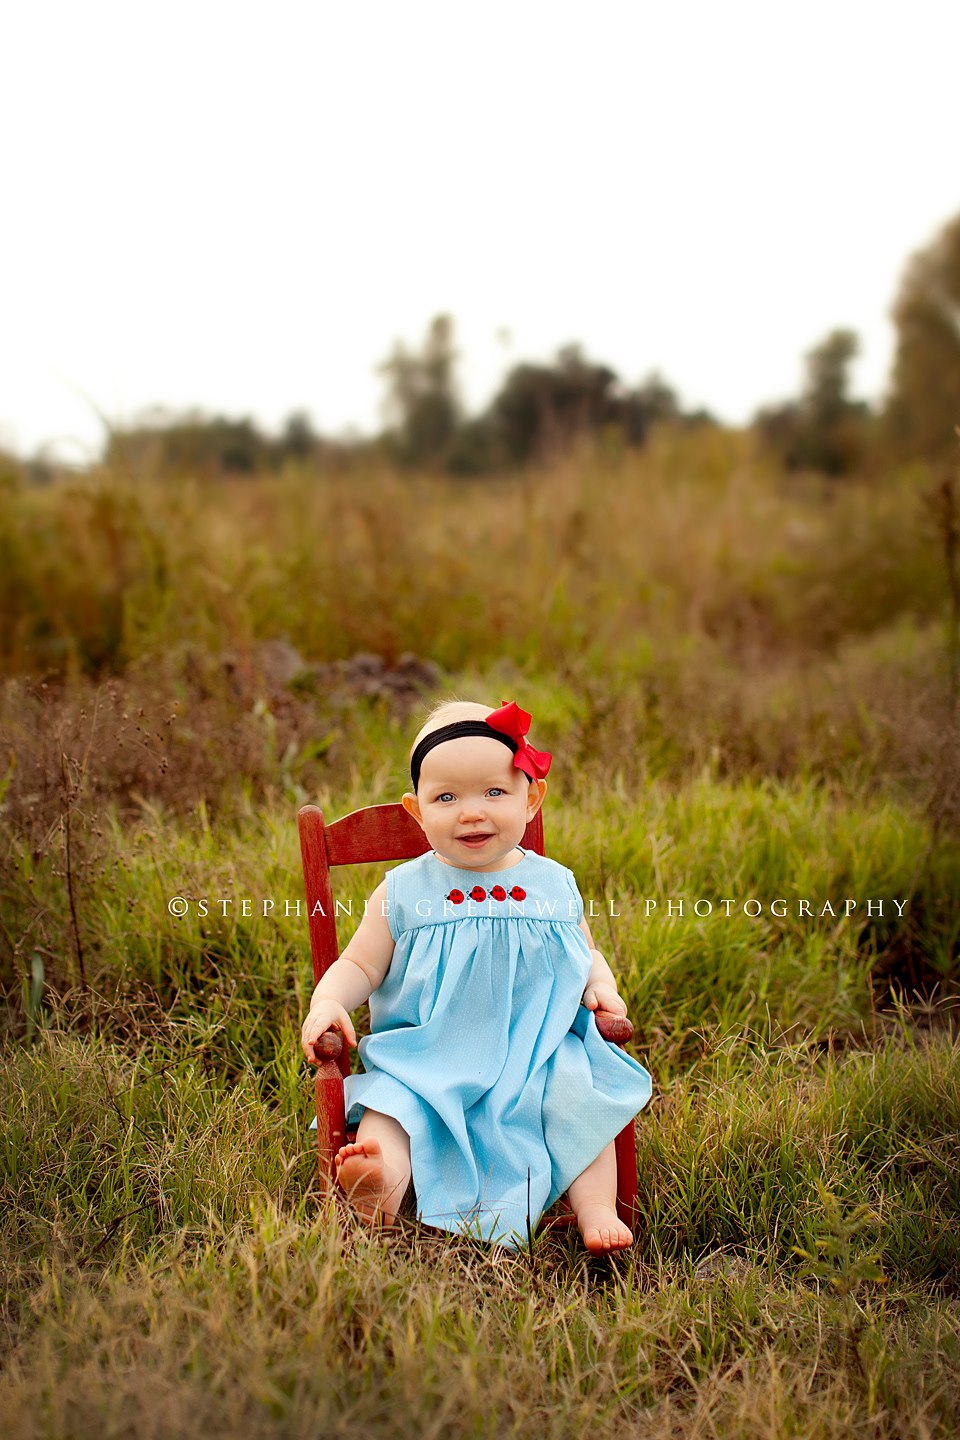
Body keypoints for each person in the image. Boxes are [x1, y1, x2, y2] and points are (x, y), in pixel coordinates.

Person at [300, 698, 652, 1252]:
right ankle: (379, 1180)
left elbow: (585, 952)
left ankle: (596, 1207)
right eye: (446, 797)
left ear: (529, 798)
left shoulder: (553, 885)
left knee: (580, 1097)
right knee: (394, 1108)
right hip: (428, 1056)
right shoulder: (403, 892)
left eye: (494, 792)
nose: (472, 812)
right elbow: (358, 964)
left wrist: (600, 987)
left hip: (536, 1051)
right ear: (416, 811)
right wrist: (329, 1001)